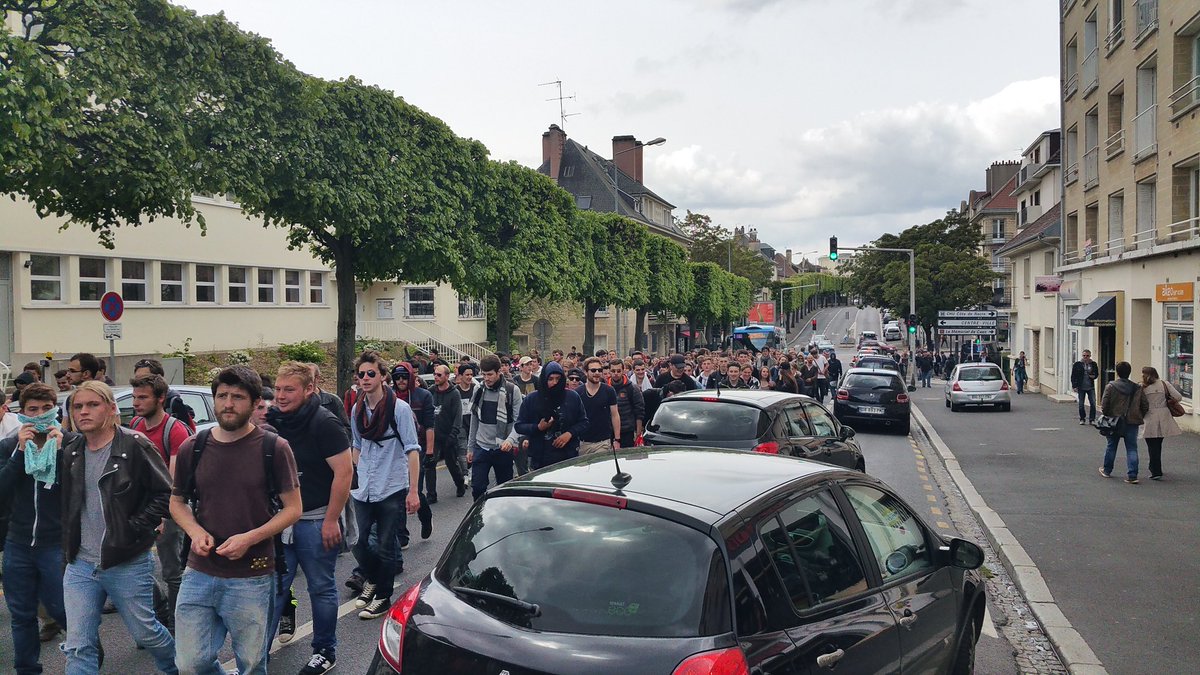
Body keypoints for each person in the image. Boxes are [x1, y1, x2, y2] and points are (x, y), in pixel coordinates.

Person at [170, 366, 302, 675]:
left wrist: (250, 538)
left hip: (252, 576)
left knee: (253, 663)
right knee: (190, 664)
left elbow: (293, 508)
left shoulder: (275, 448)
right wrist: (195, 530)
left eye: (238, 397)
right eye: (222, 396)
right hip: (199, 572)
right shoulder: (194, 446)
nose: (228, 404)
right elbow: (176, 502)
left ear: (256, 403)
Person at [60, 381, 177, 674]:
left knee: (146, 633)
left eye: (92, 405)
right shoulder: (72, 449)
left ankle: (175, 665)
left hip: (126, 560)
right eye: (78, 406)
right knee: (78, 645)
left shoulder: (134, 444)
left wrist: (135, 527)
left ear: (112, 409)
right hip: (80, 564)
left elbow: (166, 493)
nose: (83, 412)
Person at [266, 362, 353, 675]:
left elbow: (344, 473)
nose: (281, 395)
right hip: (281, 521)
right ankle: (256, 654)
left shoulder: (324, 422)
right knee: (274, 588)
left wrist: (331, 520)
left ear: (308, 390)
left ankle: (324, 652)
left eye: (289, 389)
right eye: (277, 389)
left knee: (321, 588)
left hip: (316, 520)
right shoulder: (273, 420)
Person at [1, 383, 72, 675]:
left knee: (62, 611)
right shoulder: (8, 445)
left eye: (46, 409)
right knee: (21, 615)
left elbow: (79, 490)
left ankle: (89, 658)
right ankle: (27, 669)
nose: (40, 415)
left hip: (55, 544)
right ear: (22, 413)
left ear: (55, 409)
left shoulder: (70, 443)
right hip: (17, 543)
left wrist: (59, 453)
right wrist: (19, 453)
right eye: (33, 410)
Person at [347, 352, 422, 621]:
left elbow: (412, 450)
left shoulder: (399, 409)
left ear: (382, 377)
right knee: (356, 540)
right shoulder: (357, 408)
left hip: (391, 484)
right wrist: (351, 477)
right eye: (361, 374)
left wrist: (413, 491)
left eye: (371, 374)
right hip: (364, 485)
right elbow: (356, 445)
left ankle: (382, 596)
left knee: (385, 546)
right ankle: (372, 579)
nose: (365, 379)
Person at [128, 373, 194, 633]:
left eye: (142, 397)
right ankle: (160, 611)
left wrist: (165, 517)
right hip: (141, 509)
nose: (136, 402)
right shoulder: (135, 425)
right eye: (134, 397)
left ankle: (177, 627)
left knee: (172, 573)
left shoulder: (174, 429)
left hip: (168, 510)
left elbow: (173, 480)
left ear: (161, 398)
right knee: (136, 569)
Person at [467, 355, 523, 500]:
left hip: (502, 449)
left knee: (504, 491)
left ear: (499, 372)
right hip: (481, 447)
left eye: (490, 374)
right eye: (483, 374)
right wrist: (470, 448)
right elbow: (475, 419)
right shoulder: (478, 389)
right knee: (478, 487)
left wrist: (510, 441)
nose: (486, 378)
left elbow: (519, 422)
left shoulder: (513, 391)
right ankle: (480, 518)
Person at [515, 362, 588, 470]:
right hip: (540, 459)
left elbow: (584, 422)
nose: (554, 383)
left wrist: (569, 433)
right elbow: (519, 426)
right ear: (544, 379)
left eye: (558, 379)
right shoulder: (532, 399)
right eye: (550, 379)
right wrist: (538, 427)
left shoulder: (572, 397)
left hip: (568, 457)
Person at [1098, 361, 1149, 484]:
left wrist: (1109, 414)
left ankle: (1107, 470)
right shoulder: (1137, 388)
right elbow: (1145, 405)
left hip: (1114, 421)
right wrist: (1138, 415)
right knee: (1132, 448)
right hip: (1132, 422)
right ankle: (1132, 475)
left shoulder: (1110, 386)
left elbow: (1104, 405)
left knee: (1111, 446)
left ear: (1117, 372)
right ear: (1129, 372)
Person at [428, 364, 467, 496]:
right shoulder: (431, 391)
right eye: (435, 374)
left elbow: (458, 416)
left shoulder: (454, 393)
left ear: (447, 376)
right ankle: (431, 494)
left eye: (439, 375)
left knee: (451, 464)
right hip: (434, 435)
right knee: (430, 463)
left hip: (449, 435)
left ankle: (460, 483)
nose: (436, 377)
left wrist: (453, 435)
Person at [1139, 366, 1182, 481]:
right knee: (1158, 443)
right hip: (1163, 414)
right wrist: (1168, 401)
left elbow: (1138, 402)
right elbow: (1178, 397)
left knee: (1151, 444)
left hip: (1149, 415)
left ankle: (1155, 470)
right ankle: (1155, 467)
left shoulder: (1142, 387)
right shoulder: (1164, 384)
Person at [132, 358, 197, 432]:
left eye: (145, 378)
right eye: (137, 379)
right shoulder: (136, 422)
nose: (135, 403)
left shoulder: (174, 403)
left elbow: (188, 437)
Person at [575, 357, 621, 456]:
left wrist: (617, 439)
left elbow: (615, 415)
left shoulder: (609, 391)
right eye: (593, 370)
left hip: (603, 442)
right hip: (583, 443)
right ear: (586, 372)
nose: (597, 373)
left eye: (599, 370)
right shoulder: (578, 392)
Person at [1071, 350, 1100, 425]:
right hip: (1081, 387)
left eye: (1087, 356)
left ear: (1090, 356)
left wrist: (1093, 376)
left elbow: (1096, 374)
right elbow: (1073, 375)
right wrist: (1074, 386)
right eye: (1084, 356)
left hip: (1090, 387)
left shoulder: (1093, 364)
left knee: (1093, 403)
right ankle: (1082, 419)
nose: (1085, 357)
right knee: (1081, 404)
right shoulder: (1077, 364)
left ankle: (1092, 419)